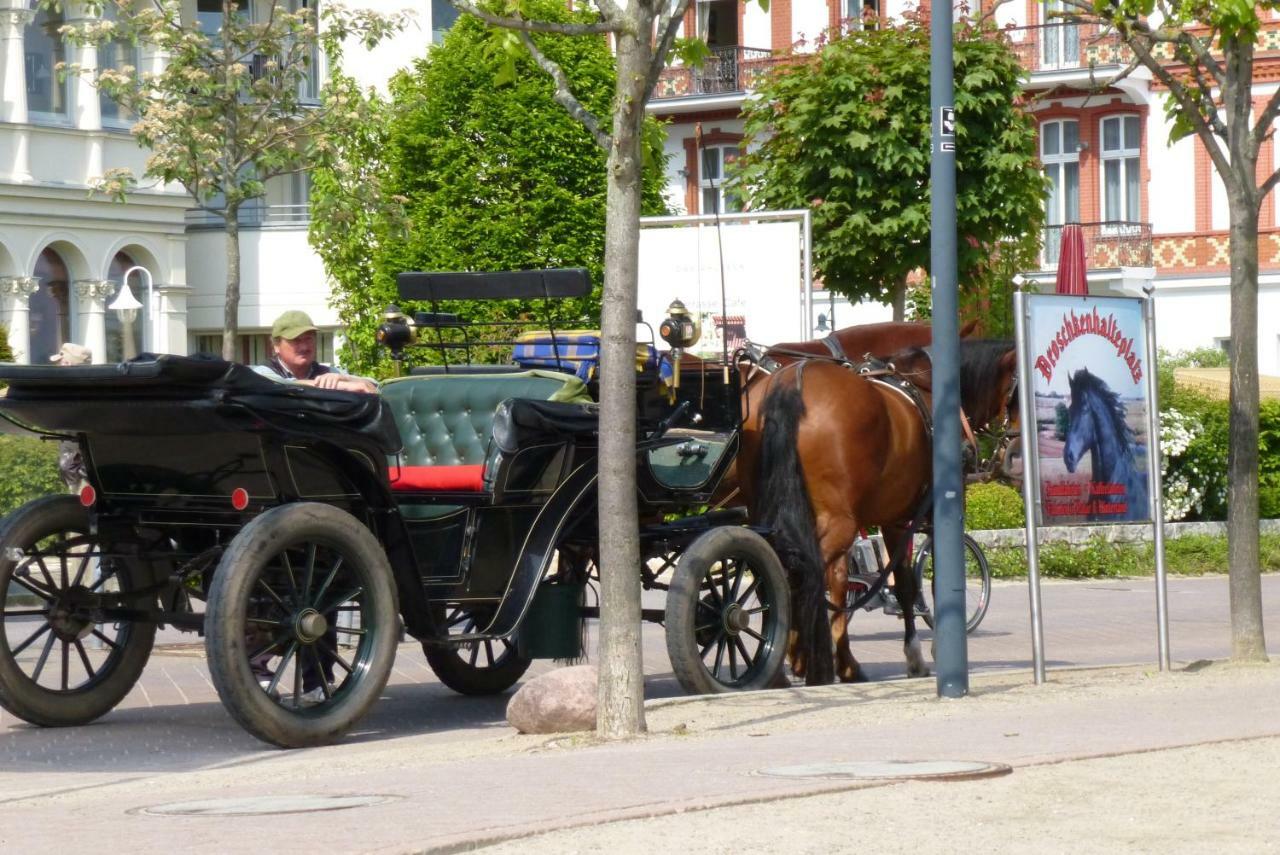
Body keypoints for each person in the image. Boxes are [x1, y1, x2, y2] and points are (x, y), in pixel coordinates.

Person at [255, 310, 378, 394]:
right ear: (276, 346)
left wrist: (344, 378)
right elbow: (281, 385)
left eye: (308, 339)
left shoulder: (328, 373)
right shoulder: (262, 372)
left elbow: (375, 386)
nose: (304, 347)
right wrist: (341, 386)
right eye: (295, 340)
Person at [50, 343, 92, 491]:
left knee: (84, 495)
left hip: (81, 457)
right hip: (72, 454)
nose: (57, 366)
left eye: (61, 362)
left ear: (68, 363)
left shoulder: (81, 390)